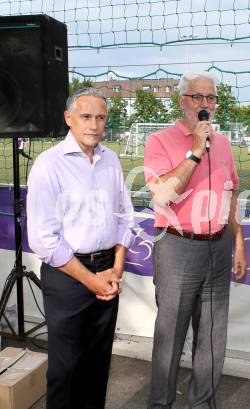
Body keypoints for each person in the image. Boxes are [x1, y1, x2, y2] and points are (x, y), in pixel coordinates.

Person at [144, 71, 247, 409]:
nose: (205, 104)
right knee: (170, 336)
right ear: (182, 101)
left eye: (211, 98)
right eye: (197, 97)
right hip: (177, 246)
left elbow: (231, 192)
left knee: (213, 337)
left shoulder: (225, 144)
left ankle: (201, 404)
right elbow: (162, 196)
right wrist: (194, 152)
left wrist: (239, 240)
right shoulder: (159, 141)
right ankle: (160, 404)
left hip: (219, 247)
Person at [26, 88, 135, 409]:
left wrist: (117, 267)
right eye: (86, 116)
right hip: (68, 276)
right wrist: (91, 280)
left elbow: (125, 216)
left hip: (107, 271)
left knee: (97, 364)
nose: (94, 125)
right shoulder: (49, 165)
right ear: (68, 118)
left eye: (100, 118)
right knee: (66, 368)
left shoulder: (111, 159)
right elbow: (44, 239)